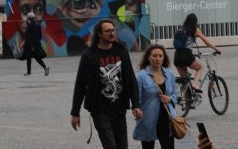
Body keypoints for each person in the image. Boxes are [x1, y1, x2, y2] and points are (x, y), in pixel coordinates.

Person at [70, 18, 142, 149]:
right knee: (110, 146)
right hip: (99, 110)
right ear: (99, 34)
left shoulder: (121, 51)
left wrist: (136, 104)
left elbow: (130, 79)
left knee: (122, 146)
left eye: (113, 30)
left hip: (119, 109)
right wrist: (75, 112)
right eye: (108, 31)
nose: (112, 33)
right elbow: (80, 85)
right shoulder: (89, 55)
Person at [133, 43, 178, 149]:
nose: (157, 58)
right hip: (148, 118)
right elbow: (135, 98)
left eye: (160, 56)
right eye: (154, 56)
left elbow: (176, 94)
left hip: (167, 118)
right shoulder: (140, 76)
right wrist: (136, 109)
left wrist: (170, 98)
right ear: (148, 57)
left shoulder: (169, 73)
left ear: (164, 58)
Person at [173, 13, 220, 90]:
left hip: (177, 56)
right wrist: (217, 50)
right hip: (187, 55)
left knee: (185, 82)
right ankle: (195, 84)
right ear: (195, 22)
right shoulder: (195, 30)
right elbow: (207, 42)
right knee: (200, 68)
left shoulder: (180, 30)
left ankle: (187, 100)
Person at [21, 11, 49, 76]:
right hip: (36, 44)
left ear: (28, 18)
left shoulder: (30, 26)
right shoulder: (37, 25)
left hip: (30, 45)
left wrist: (31, 46)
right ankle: (45, 67)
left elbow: (29, 36)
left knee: (28, 58)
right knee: (37, 57)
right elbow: (40, 35)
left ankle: (29, 72)